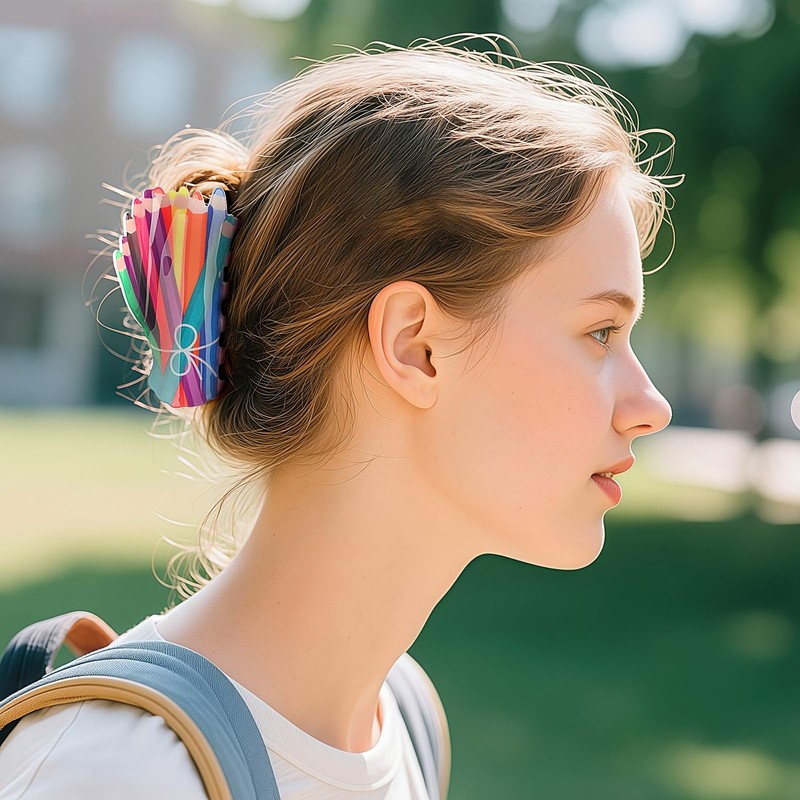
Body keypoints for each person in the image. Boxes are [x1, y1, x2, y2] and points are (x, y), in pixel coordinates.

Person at [0, 33, 681, 799]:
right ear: (415, 346)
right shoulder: (116, 776)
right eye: (599, 333)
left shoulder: (407, 720)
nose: (649, 406)